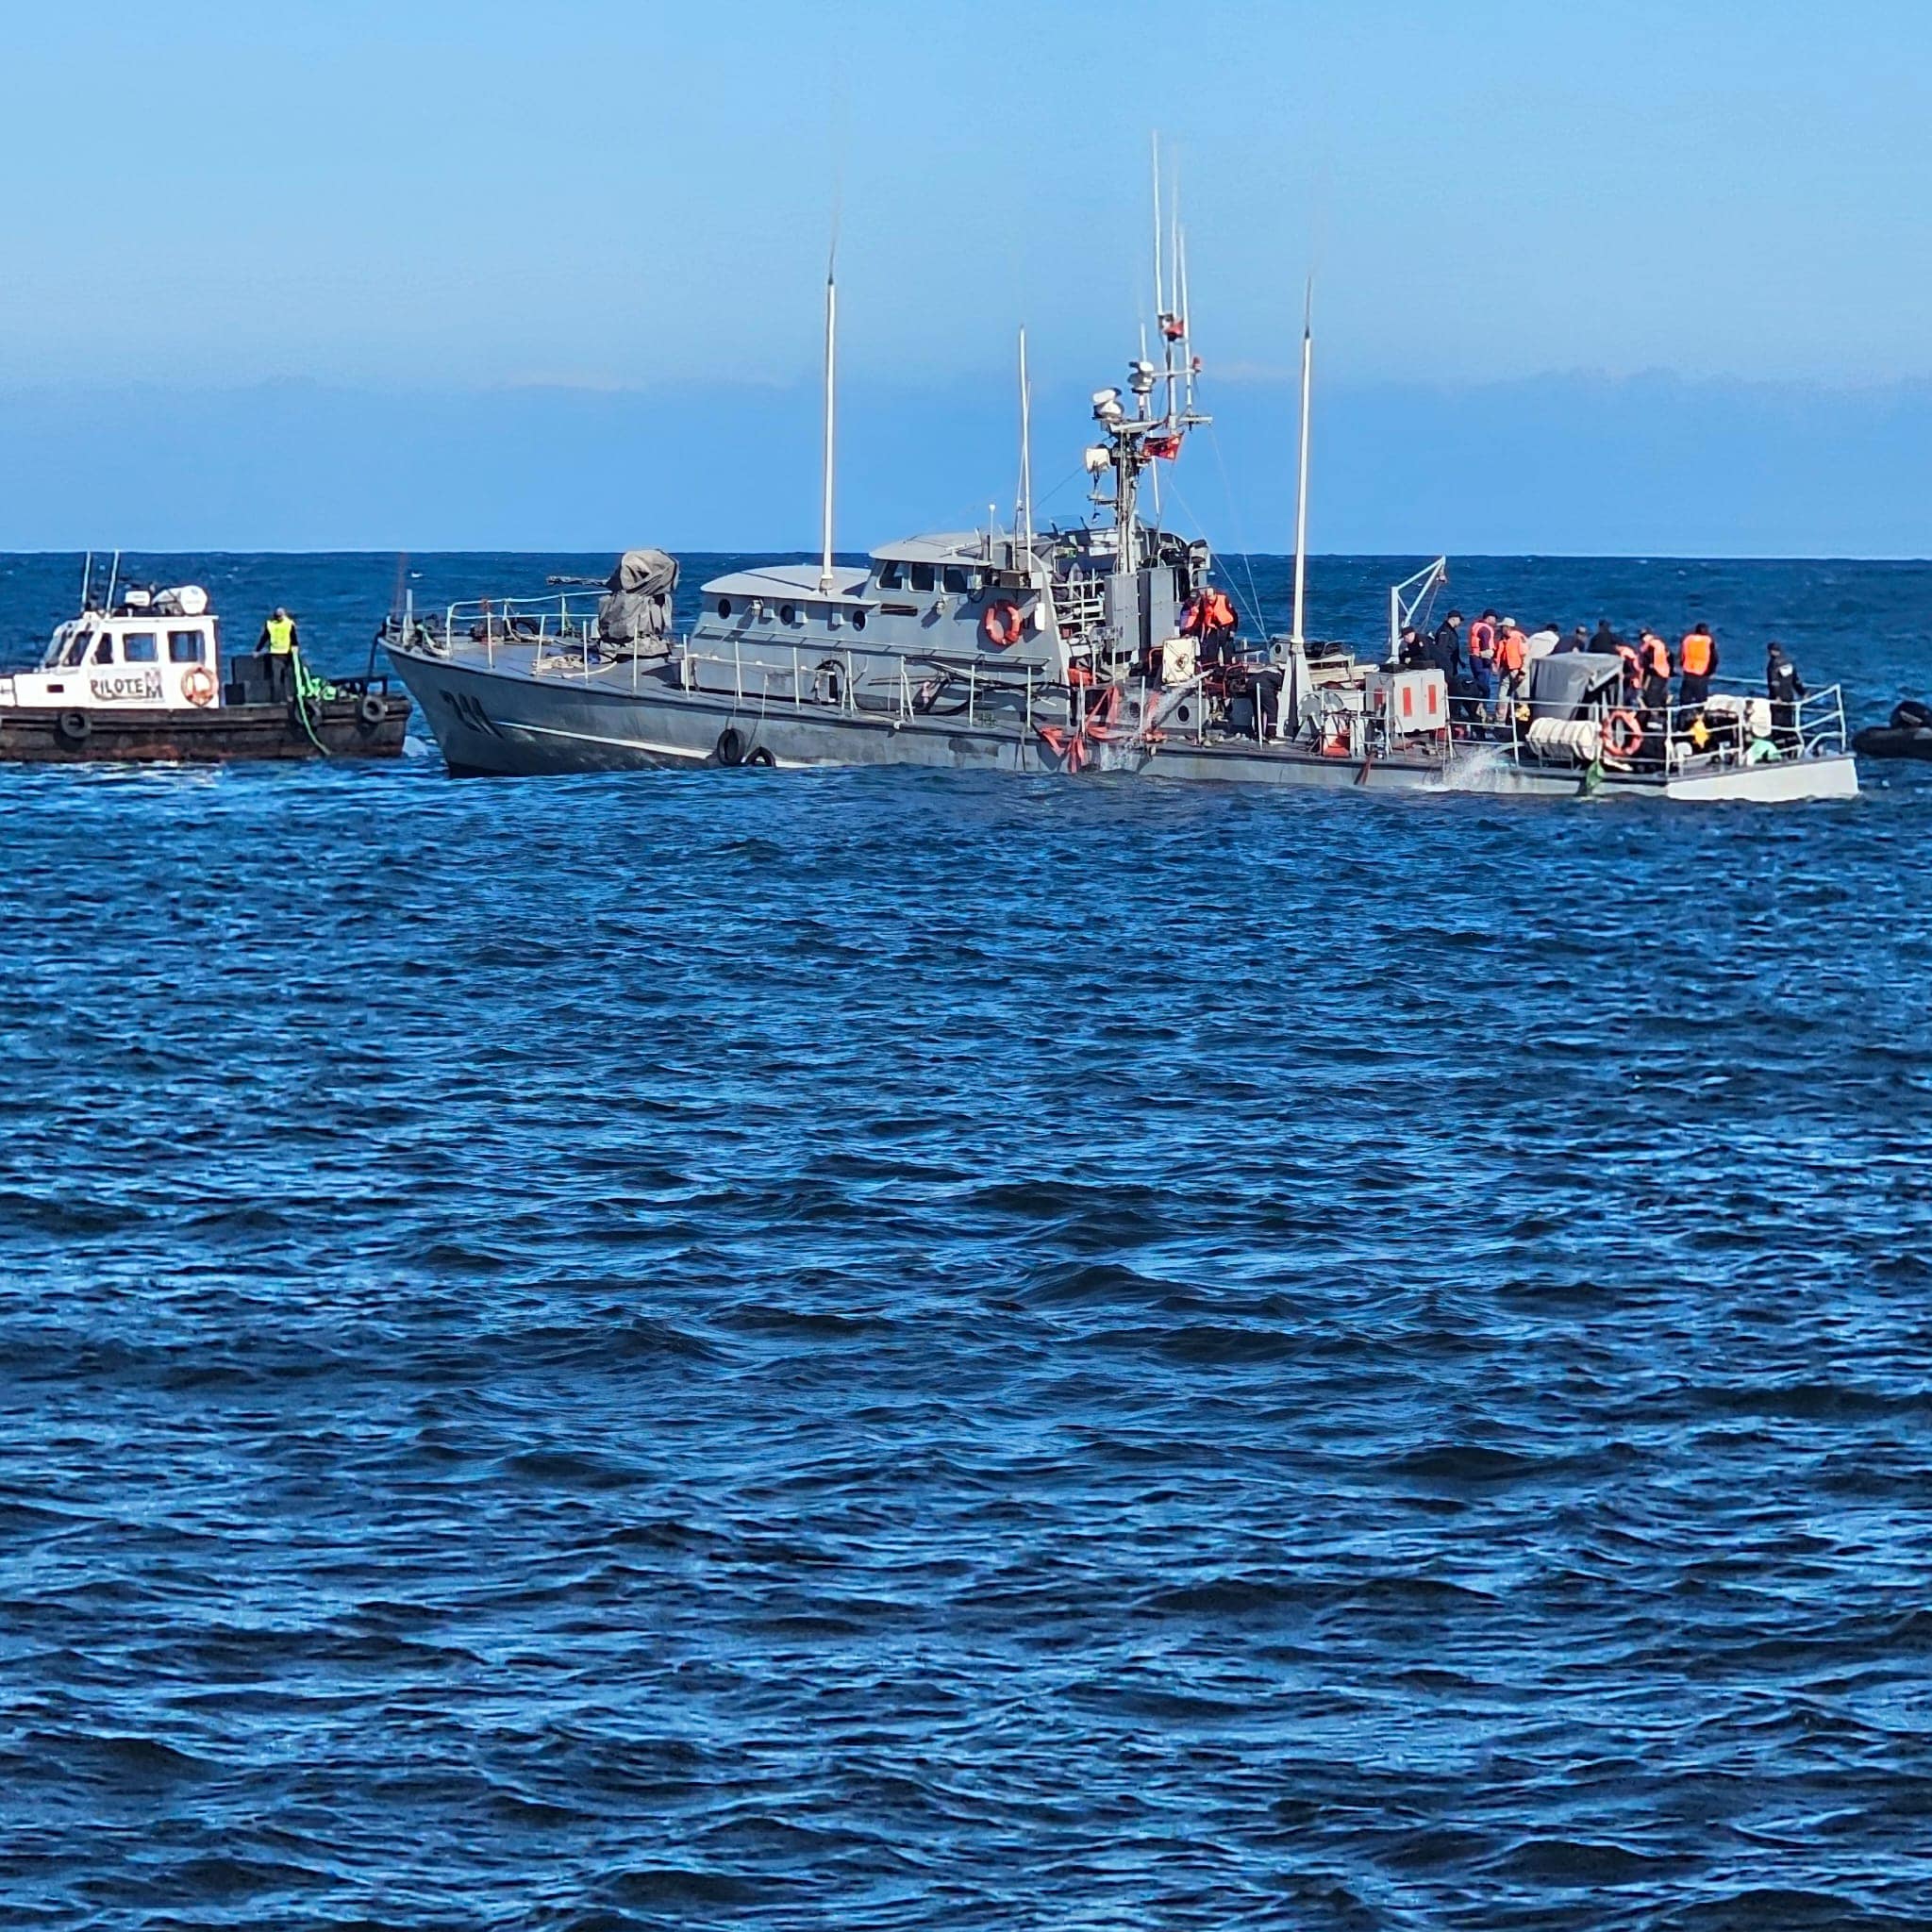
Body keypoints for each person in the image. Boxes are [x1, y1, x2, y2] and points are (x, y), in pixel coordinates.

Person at [1181, 584, 1238, 663]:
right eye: (1207, 597)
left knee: (1227, 652)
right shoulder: (1204, 603)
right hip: (1213, 628)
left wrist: (1233, 630)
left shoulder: (1224, 600)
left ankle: (1228, 670)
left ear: (1215, 595)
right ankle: (1214, 670)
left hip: (1226, 627)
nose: (1209, 599)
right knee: (1211, 652)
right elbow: (1198, 617)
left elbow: (1234, 615)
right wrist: (1189, 631)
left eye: (1210, 596)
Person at [1767, 641, 1807, 747]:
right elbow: (1796, 680)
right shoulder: (1788, 663)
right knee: (1789, 722)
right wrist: (1802, 692)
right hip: (1789, 696)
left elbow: (1774, 682)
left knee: (1778, 724)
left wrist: (1776, 696)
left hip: (1779, 699)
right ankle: (1792, 744)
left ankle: (1780, 746)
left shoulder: (1773, 664)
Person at [1678, 621, 1718, 709]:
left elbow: (1681, 656)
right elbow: (1714, 659)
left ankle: (1682, 720)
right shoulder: (1708, 641)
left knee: (1685, 701)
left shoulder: (1687, 639)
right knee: (1700, 701)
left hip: (1688, 673)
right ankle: (1699, 720)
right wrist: (1711, 672)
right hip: (1702, 674)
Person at [1639, 629, 1673, 716]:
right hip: (1664, 673)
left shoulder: (1650, 646)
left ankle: (1655, 718)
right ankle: (1663, 716)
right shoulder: (1661, 643)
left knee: (1651, 698)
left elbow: (1646, 662)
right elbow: (1670, 656)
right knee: (1661, 696)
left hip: (1655, 674)